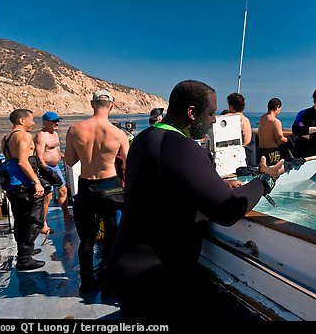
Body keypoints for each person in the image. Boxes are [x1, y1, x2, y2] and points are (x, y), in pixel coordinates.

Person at [107, 80, 285, 320]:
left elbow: (165, 185)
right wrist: (265, 181)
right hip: (154, 278)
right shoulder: (184, 147)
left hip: (127, 265)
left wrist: (217, 185)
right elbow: (228, 210)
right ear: (192, 113)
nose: (213, 120)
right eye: (210, 113)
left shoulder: (145, 137)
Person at [64, 90, 130, 293]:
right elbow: (128, 165)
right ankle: (108, 281)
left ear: (92, 104)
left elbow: (69, 161)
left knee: (87, 238)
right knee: (111, 234)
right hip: (110, 186)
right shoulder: (118, 134)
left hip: (86, 186)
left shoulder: (74, 129)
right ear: (111, 105)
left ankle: (86, 283)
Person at [1, 109, 46, 271]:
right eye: (31, 119)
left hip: (13, 187)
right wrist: (37, 182)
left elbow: (10, 162)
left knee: (20, 219)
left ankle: (25, 251)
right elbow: (22, 162)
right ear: (21, 120)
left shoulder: (6, 139)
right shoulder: (24, 136)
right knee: (33, 220)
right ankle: (24, 259)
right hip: (25, 185)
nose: (33, 123)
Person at [34, 111, 74, 236]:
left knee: (63, 190)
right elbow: (39, 155)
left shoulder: (55, 134)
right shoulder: (41, 136)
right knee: (48, 196)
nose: (57, 123)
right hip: (46, 168)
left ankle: (66, 215)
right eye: (53, 121)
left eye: (57, 120)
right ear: (45, 123)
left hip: (56, 166)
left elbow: (56, 149)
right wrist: (45, 171)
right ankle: (43, 224)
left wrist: (65, 156)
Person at [222, 92, 256, 166]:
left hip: (234, 156)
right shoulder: (246, 120)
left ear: (230, 106)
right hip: (248, 155)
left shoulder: (227, 118)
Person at [257, 97, 290, 165]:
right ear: (277, 107)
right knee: (274, 173)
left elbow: (269, 132)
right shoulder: (275, 121)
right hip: (272, 152)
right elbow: (280, 139)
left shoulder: (262, 118)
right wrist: (289, 139)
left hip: (261, 152)